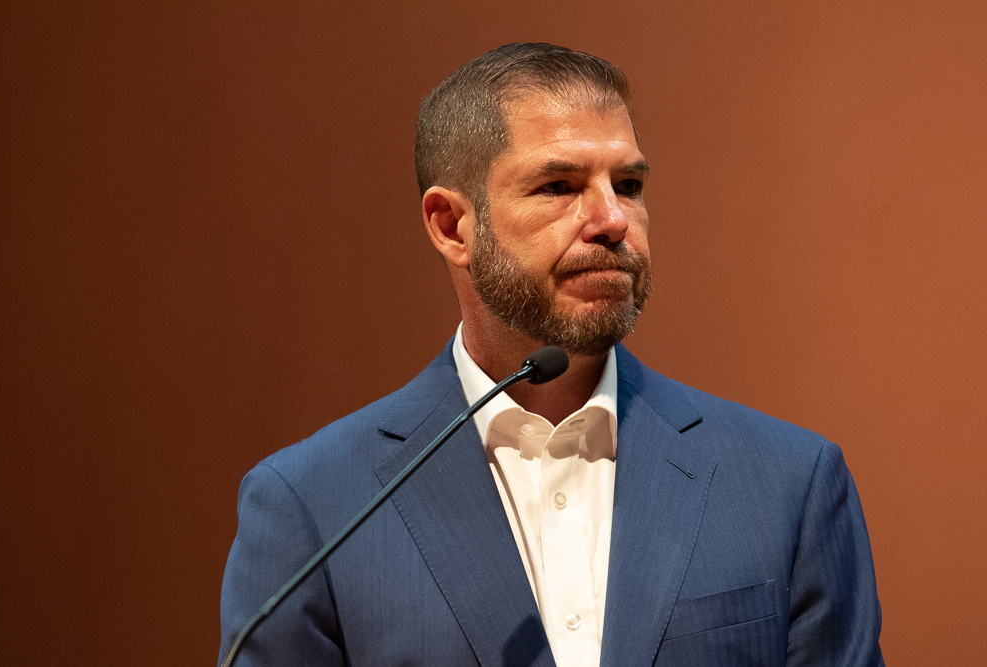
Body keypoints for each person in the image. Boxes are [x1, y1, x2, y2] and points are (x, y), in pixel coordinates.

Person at [219, 43, 884, 667]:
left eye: (627, 183)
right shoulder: (312, 507)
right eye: (559, 186)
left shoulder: (787, 485)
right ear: (452, 225)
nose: (613, 219)